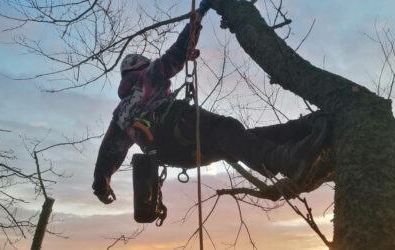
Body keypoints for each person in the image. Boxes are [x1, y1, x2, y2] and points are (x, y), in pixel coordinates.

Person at [92, 0, 329, 205]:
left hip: (173, 156)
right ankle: (287, 160)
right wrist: (199, 15)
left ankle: (302, 130)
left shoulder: (120, 114)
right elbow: (175, 54)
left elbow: (109, 152)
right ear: (139, 67)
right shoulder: (149, 75)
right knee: (226, 129)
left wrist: (101, 185)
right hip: (177, 126)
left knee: (239, 140)